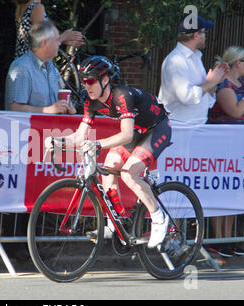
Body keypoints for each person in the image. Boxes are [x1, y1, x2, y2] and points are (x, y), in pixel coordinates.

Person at [45, 55, 172, 248]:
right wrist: (58, 141)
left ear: (105, 80)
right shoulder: (91, 102)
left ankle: (158, 217)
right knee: (109, 167)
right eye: (84, 81)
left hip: (157, 128)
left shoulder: (122, 95)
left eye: (90, 81)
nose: (86, 86)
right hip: (139, 132)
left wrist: (97, 143)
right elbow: (80, 136)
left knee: (129, 173)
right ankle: (116, 220)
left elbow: (126, 135)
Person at [207, 45, 244, 257]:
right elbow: (236, 111)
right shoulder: (224, 85)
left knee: (234, 192)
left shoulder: (242, 84)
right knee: (220, 190)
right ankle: (217, 240)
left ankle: (228, 238)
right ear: (237, 63)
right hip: (223, 146)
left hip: (242, 146)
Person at [158, 14, 229, 125]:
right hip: (179, 127)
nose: (206, 36)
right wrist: (210, 82)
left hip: (195, 126)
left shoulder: (195, 57)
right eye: (204, 32)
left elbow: (205, 100)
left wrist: (215, 82)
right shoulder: (176, 60)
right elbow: (186, 97)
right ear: (196, 35)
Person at [5, 19, 76, 114]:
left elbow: (59, 99)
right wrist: (48, 110)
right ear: (44, 43)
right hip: (27, 128)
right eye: (57, 40)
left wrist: (69, 109)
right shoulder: (22, 68)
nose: (60, 43)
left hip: (50, 128)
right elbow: (15, 108)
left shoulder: (51, 67)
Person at [12, 0, 84, 58]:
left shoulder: (21, 6)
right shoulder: (36, 7)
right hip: (34, 66)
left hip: (23, 61)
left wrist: (60, 41)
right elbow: (41, 44)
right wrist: (63, 37)